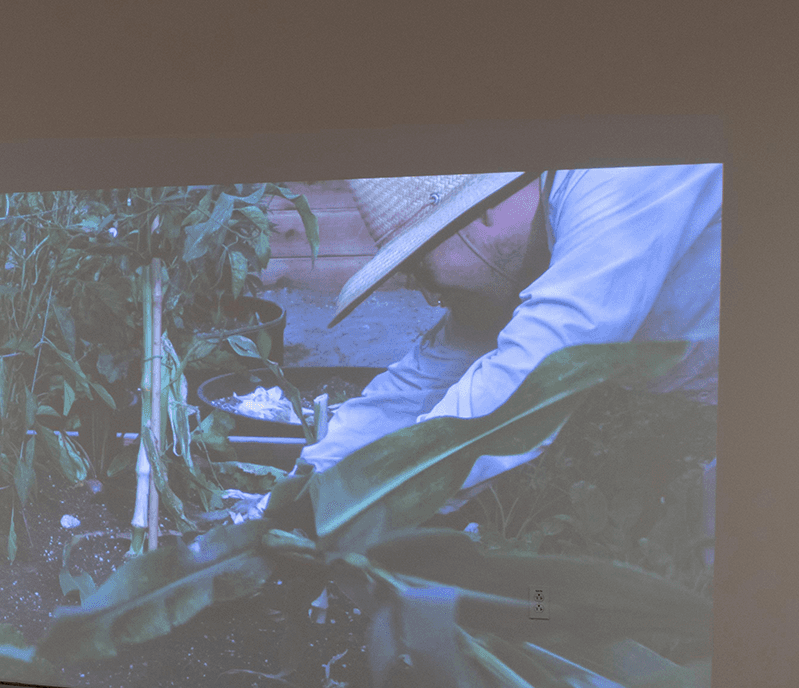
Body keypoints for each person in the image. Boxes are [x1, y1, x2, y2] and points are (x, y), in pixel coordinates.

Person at [296, 164, 720, 492]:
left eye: (420, 268)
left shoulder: (617, 181)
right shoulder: (516, 266)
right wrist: (304, 487)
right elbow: (414, 387)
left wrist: (356, 505)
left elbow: (532, 376)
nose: (429, 297)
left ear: (480, 216)